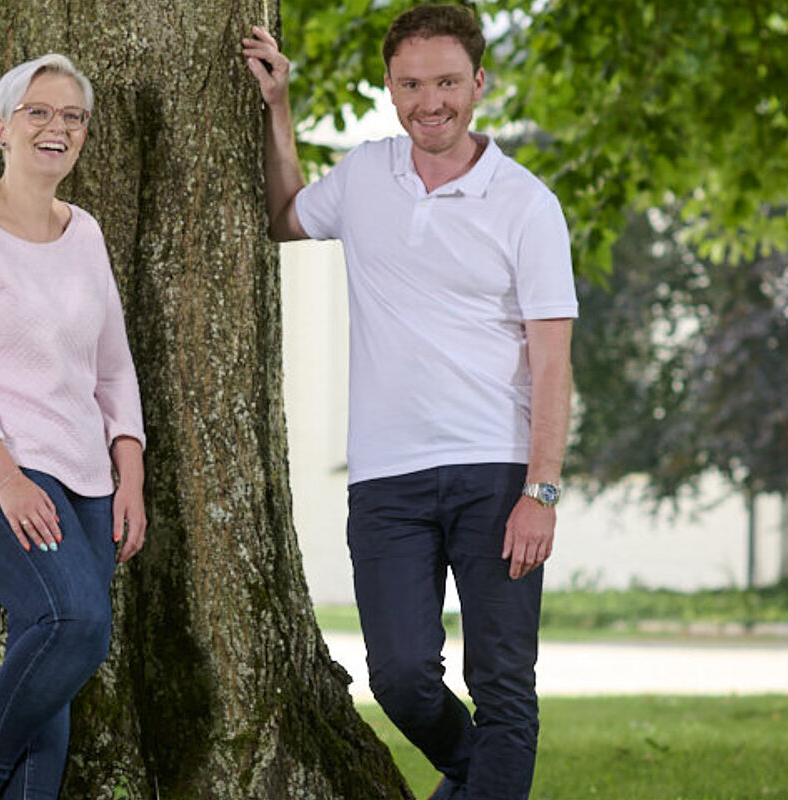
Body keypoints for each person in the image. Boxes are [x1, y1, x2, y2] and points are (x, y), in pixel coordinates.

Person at [243, 5, 576, 799]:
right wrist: (279, 108)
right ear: (391, 89)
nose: (433, 101)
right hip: (388, 478)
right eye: (412, 83)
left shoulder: (527, 205)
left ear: (479, 83)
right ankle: (473, 778)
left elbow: (554, 362)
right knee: (398, 678)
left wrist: (542, 490)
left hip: (497, 475)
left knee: (502, 684)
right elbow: (286, 219)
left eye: (449, 82)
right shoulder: (365, 176)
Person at [0, 53, 146, 800]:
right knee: (75, 624)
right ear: (1, 128)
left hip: (86, 482)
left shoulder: (85, 235)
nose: (58, 128)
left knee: (50, 654)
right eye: (40, 112)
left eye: (72, 116)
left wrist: (129, 476)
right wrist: (7, 479)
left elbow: (114, 369)